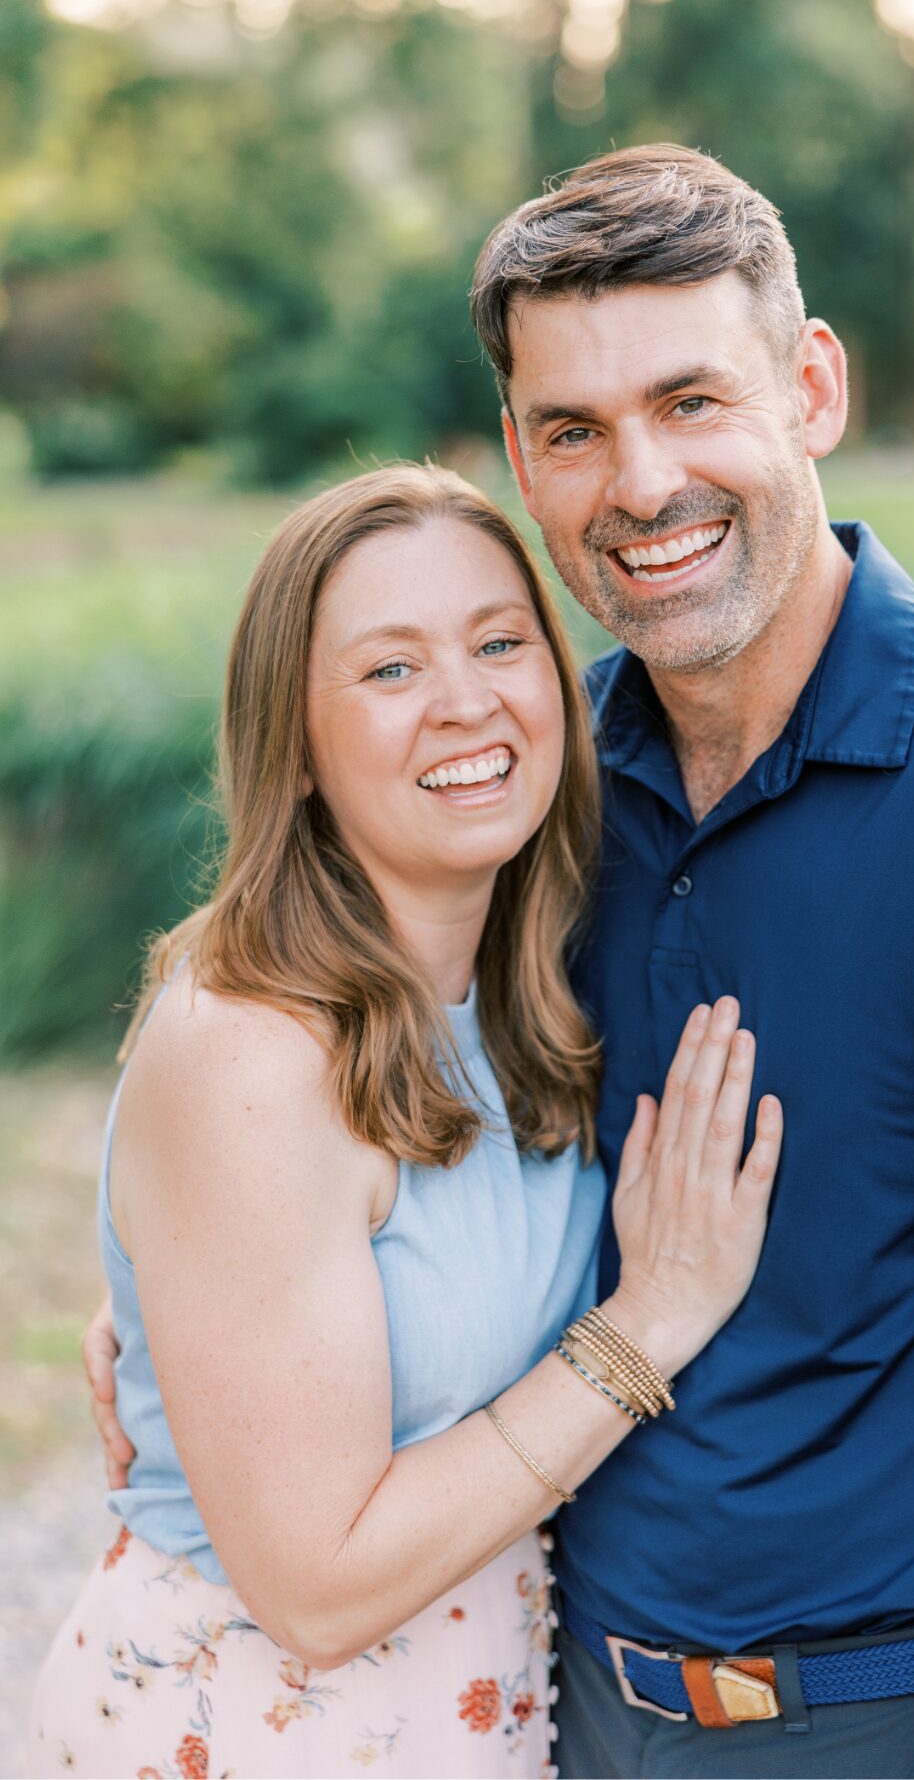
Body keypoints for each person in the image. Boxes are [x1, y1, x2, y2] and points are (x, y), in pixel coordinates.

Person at [88, 146, 914, 1779]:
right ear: (520, 461)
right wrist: (184, 1306)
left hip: (885, 1724)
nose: (639, 482)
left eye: (690, 401)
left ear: (809, 388)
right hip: (560, 1706)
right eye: (572, 430)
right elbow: (324, 1109)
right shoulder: (538, 787)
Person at [30, 462, 783, 1780]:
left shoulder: (517, 989)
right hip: (252, 1730)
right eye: (389, 669)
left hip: (462, 1717)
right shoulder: (250, 1053)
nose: (466, 701)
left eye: (500, 643)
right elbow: (315, 1590)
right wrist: (650, 1321)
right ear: (295, 748)